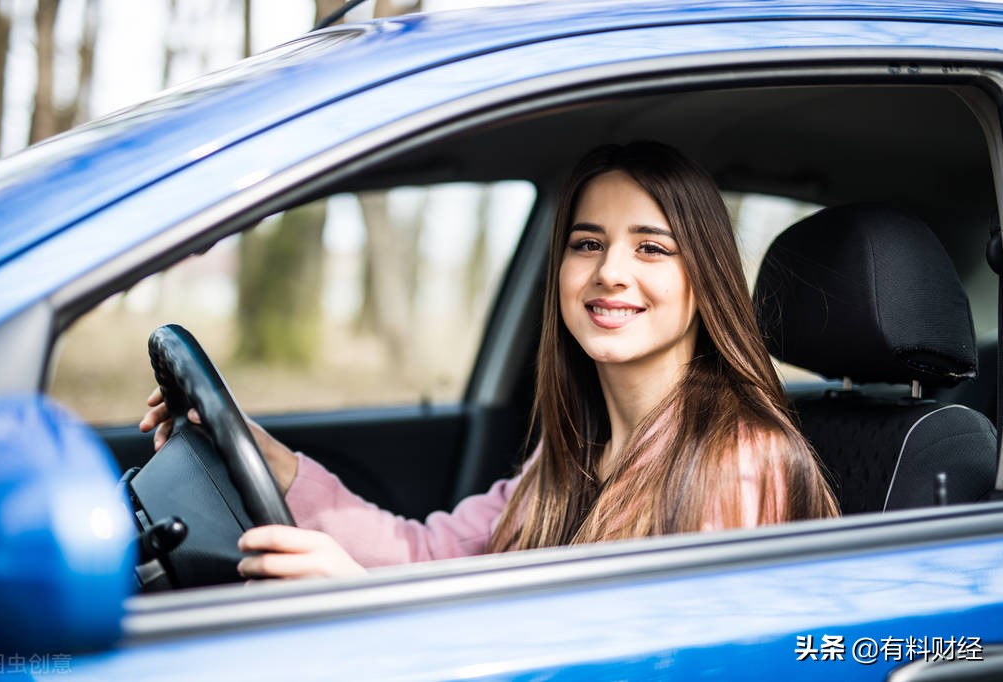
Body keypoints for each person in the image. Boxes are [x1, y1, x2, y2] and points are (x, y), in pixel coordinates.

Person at [140, 141, 839, 580]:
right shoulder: (568, 457)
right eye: (586, 243)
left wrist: (359, 610)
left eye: (651, 248)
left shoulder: (738, 464)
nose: (610, 273)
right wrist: (264, 457)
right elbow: (420, 555)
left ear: (703, 281)